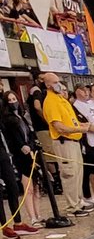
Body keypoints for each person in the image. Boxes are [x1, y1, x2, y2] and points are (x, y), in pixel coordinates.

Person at [40, 74, 91, 217]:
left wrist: (83, 126)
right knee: (69, 174)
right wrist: (80, 129)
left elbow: (71, 121)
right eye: (56, 82)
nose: (59, 85)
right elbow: (59, 127)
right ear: (48, 85)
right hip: (64, 142)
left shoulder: (62, 100)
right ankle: (72, 207)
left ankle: (79, 202)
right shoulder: (50, 102)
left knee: (78, 173)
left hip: (74, 141)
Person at [0, 92, 41, 230]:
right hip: (18, 155)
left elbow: (30, 133)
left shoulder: (22, 117)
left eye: (14, 99)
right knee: (26, 187)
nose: (13, 102)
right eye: (10, 100)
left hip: (27, 152)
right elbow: (12, 138)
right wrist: (21, 147)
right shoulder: (7, 119)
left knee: (29, 187)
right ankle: (12, 223)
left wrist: (30, 145)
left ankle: (29, 218)